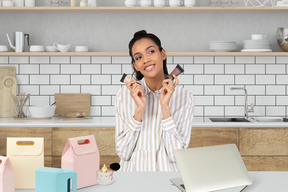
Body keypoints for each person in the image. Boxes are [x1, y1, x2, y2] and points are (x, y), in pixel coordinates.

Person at [115, 30, 194, 171]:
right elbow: (123, 153)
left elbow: (177, 157)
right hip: (133, 180)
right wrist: (139, 111)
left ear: (162, 54)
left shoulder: (184, 97)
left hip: (167, 181)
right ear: (135, 66)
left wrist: (165, 107)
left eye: (150, 51)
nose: (146, 60)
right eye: (138, 57)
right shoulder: (123, 96)